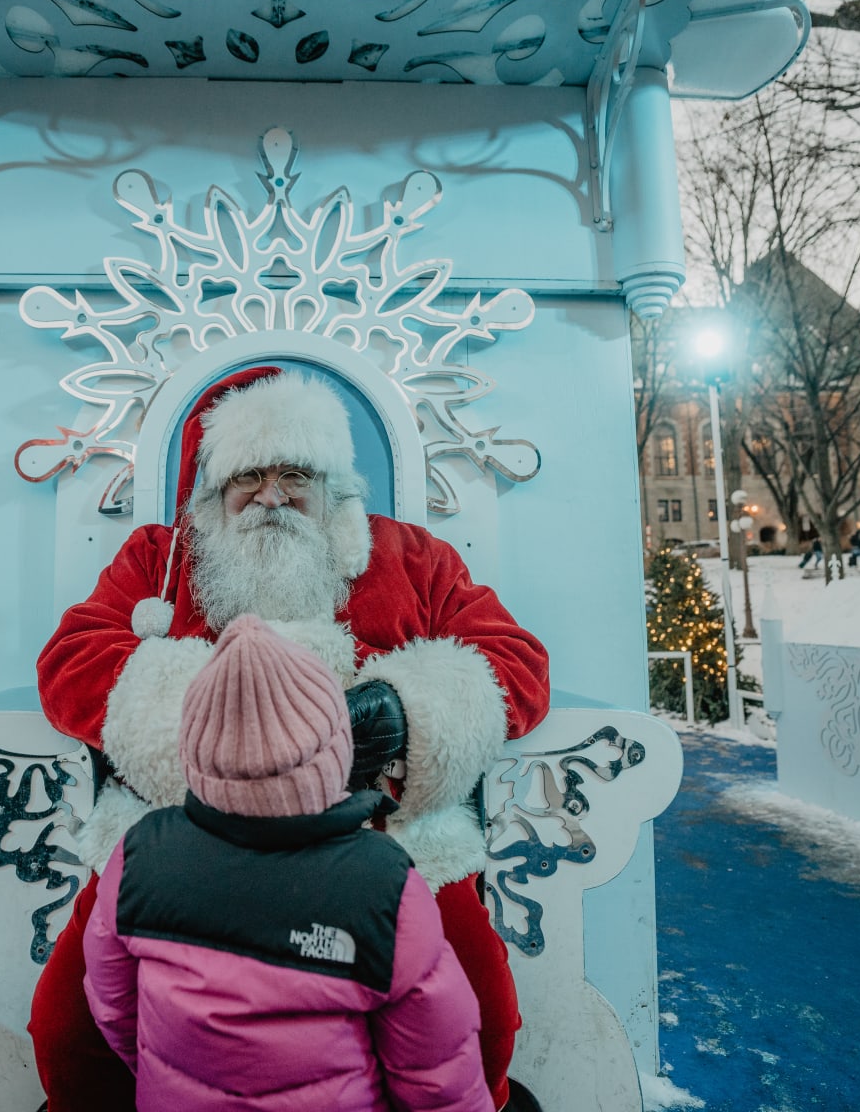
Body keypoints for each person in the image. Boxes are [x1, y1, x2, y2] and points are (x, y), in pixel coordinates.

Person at [31, 366, 551, 1111]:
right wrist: (231, 735)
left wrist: (410, 713)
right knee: (68, 1037)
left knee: (485, 1023)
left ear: (333, 485)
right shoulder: (162, 559)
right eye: (249, 475)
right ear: (214, 489)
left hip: (387, 835)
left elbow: (515, 663)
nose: (271, 495)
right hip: (183, 833)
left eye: (294, 474)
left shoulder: (411, 558)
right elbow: (71, 664)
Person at [84, 613, 494, 1111]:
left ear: (190, 752)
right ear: (336, 752)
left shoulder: (138, 855)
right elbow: (437, 1070)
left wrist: (159, 1069)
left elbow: (116, 1012)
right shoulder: (381, 882)